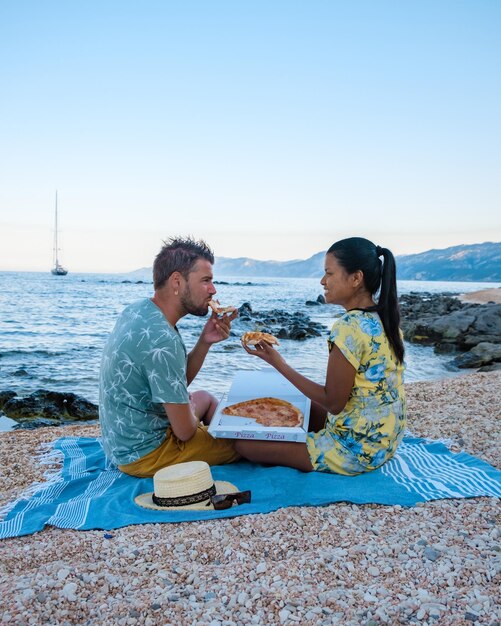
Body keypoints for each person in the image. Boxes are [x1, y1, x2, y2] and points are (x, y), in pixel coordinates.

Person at [234, 237, 406, 474]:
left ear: (356, 278)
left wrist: (278, 363)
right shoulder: (385, 320)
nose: (323, 281)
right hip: (384, 441)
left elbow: (333, 404)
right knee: (296, 408)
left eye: (329, 273)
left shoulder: (348, 326)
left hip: (356, 451)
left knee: (243, 444)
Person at [99, 237, 240, 477]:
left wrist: (204, 342)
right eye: (206, 280)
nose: (213, 289)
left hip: (119, 446)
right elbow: (185, 432)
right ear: (177, 281)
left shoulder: (138, 311)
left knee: (204, 396)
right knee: (242, 440)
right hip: (147, 456)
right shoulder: (163, 340)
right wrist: (192, 411)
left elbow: (171, 382)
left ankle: (224, 426)